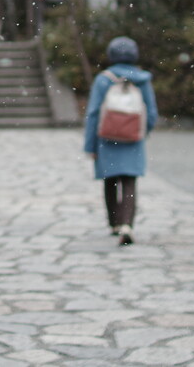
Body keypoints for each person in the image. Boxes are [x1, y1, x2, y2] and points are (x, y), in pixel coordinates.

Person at [83, 36, 158, 246]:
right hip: (133, 137)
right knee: (129, 181)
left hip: (107, 138)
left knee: (110, 180)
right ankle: (128, 224)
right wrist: (143, 132)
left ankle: (114, 223)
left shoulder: (104, 79)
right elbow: (151, 112)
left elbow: (94, 114)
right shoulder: (142, 79)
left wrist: (90, 145)